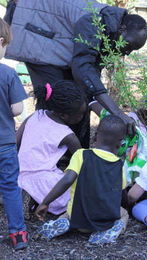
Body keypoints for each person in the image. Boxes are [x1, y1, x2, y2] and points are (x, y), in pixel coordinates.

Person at [4, 0, 147, 147]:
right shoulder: (95, 21)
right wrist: (117, 113)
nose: (128, 52)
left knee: (79, 98)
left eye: (132, 50)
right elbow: (83, 69)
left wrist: (105, 109)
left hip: (56, 39)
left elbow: (89, 80)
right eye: (129, 44)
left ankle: (75, 153)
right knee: (57, 102)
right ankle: (41, 151)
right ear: (122, 29)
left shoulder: (111, 28)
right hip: (39, 35)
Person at [35, 115, 129, 244]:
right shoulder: (120, 165)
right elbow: (121, 193)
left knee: (69, 210)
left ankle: (63, 222)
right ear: (121, 142)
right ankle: (111, 230)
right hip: (103, 221)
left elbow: (67, 180)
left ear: (96, 136)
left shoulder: (81, 155)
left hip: (77, 218)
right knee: (124, 214)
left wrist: (45, 202)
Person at [17, 81, 84, 217]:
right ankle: (36, 197)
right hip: (45, 182)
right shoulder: (67, 135)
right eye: (80, 114)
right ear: (64, 116)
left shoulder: (35, 115)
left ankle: (27, 194)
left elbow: (16, 142)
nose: (82, 117)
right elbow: (83, 161)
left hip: (18, 174)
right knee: (77, 190)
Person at [0, 18, 28, 250]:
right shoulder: (8, 73)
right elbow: (17, 109)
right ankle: (18, 234)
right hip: (5, 144)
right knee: (10, 187)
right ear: (1, 42)